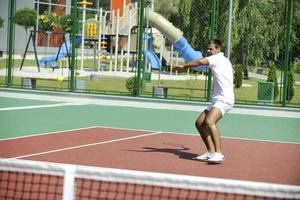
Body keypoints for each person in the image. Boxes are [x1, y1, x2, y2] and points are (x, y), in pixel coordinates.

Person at [174, 39, 234, 163]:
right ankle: (210, 151)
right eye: (208, 49)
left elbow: (200, 62)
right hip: (217, 99)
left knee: (209, 122)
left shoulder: (217, 58)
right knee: (199, 123)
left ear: (218, 50)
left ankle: (219, 153)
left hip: (225, 98)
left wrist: (184, 67)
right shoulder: (223, 60)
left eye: (211, 49)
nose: (209, 51)